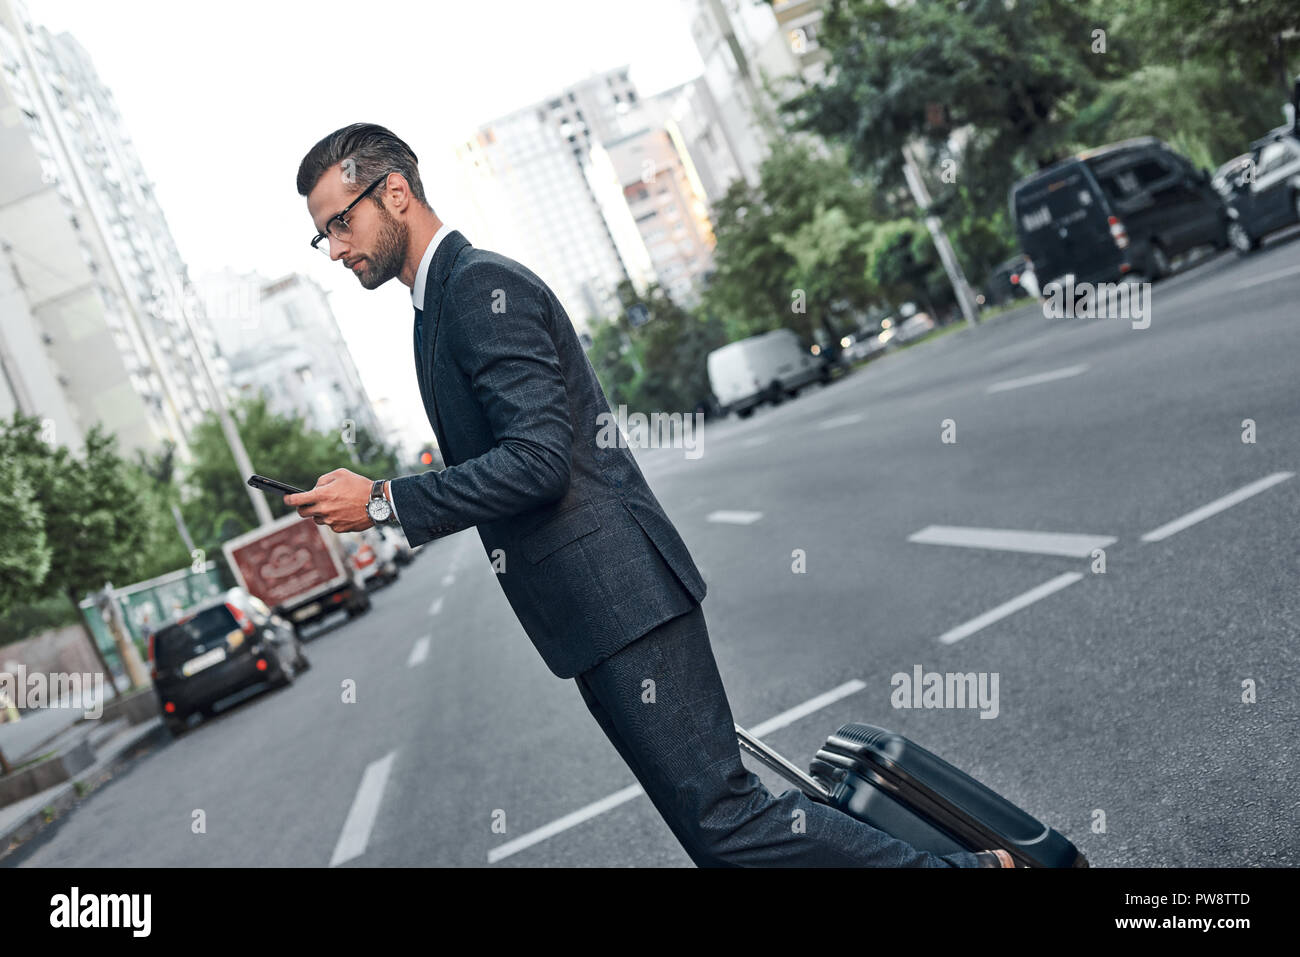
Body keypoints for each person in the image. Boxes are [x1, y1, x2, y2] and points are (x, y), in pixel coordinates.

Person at [287, 123, 1012, 868]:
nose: (337, 249)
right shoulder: (434, 309)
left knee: (730, 820)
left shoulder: (478, 288)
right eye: (324, 237)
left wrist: (383, 500)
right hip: (593, 615)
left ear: (395, 192)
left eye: (341, 223)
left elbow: (539, 463)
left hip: (620, 599)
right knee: (719, 833)